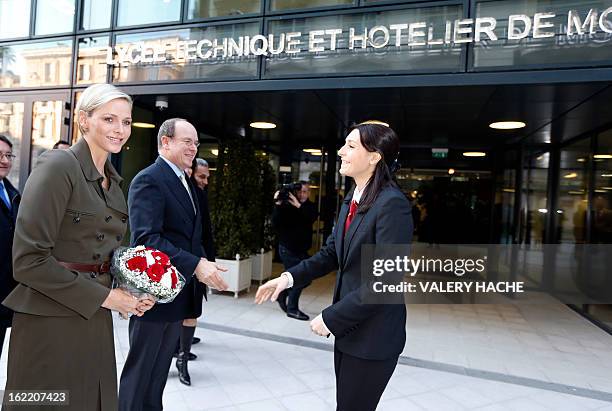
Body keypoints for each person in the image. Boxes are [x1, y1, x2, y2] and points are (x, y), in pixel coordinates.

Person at [2, 83, 155, 411]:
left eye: (126, 122)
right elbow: (28, 261)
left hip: (93, 318)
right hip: (50, 319)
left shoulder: (113, 181)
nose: (119, 129)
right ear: (84, 120)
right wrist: (107, 297)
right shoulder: (58, 167)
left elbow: (102, 254)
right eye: (109, 119)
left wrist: (134, 289)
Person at [256, 122, 412, 411]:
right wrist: (287, 278)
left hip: (373, 337)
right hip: (351, 333)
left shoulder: (392, 204)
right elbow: (330, 253)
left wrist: (332, 317)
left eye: (351, 146)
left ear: (375, 157)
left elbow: (386, 281)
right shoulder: (354, 198)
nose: (341, 151)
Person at [118, 118, 228, 411]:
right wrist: (196, 265)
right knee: (140, 373)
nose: (193, 147)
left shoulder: (186, 181)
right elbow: (147, 239)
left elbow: (193, 235)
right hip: (153, 294)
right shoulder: (149, 179)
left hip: (178, 294)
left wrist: (207, 266)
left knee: (157, 375)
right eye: (187, 141)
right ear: (165, 142)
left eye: (196, 142)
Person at [173, 157, 216, 386]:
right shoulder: (169, 189)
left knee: (191, 312)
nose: (205, 181)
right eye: (201, 176)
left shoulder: (199, 195)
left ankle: (182, 359)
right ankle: (174, 350)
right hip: (175, 264)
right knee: (174, 313)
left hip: (198, 263)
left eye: (207, 176)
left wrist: (209, 262)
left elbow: (206, 232)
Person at [271, 181, 317, 320]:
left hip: (301, 250)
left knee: (306, 278)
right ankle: (292, 309)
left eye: (306, 191)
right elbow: (275, 223)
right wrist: (278, 205)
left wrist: (298, 205)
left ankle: (282, 293)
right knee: (299, 278)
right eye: (301, 191)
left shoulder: (308, 206)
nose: (303, 194)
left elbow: (311, 217)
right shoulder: (286, 206)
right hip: (288, 249)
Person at [0, 135, 20, 357]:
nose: (4, 160)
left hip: (6, 292)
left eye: (8, 155)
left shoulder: (12, 194)